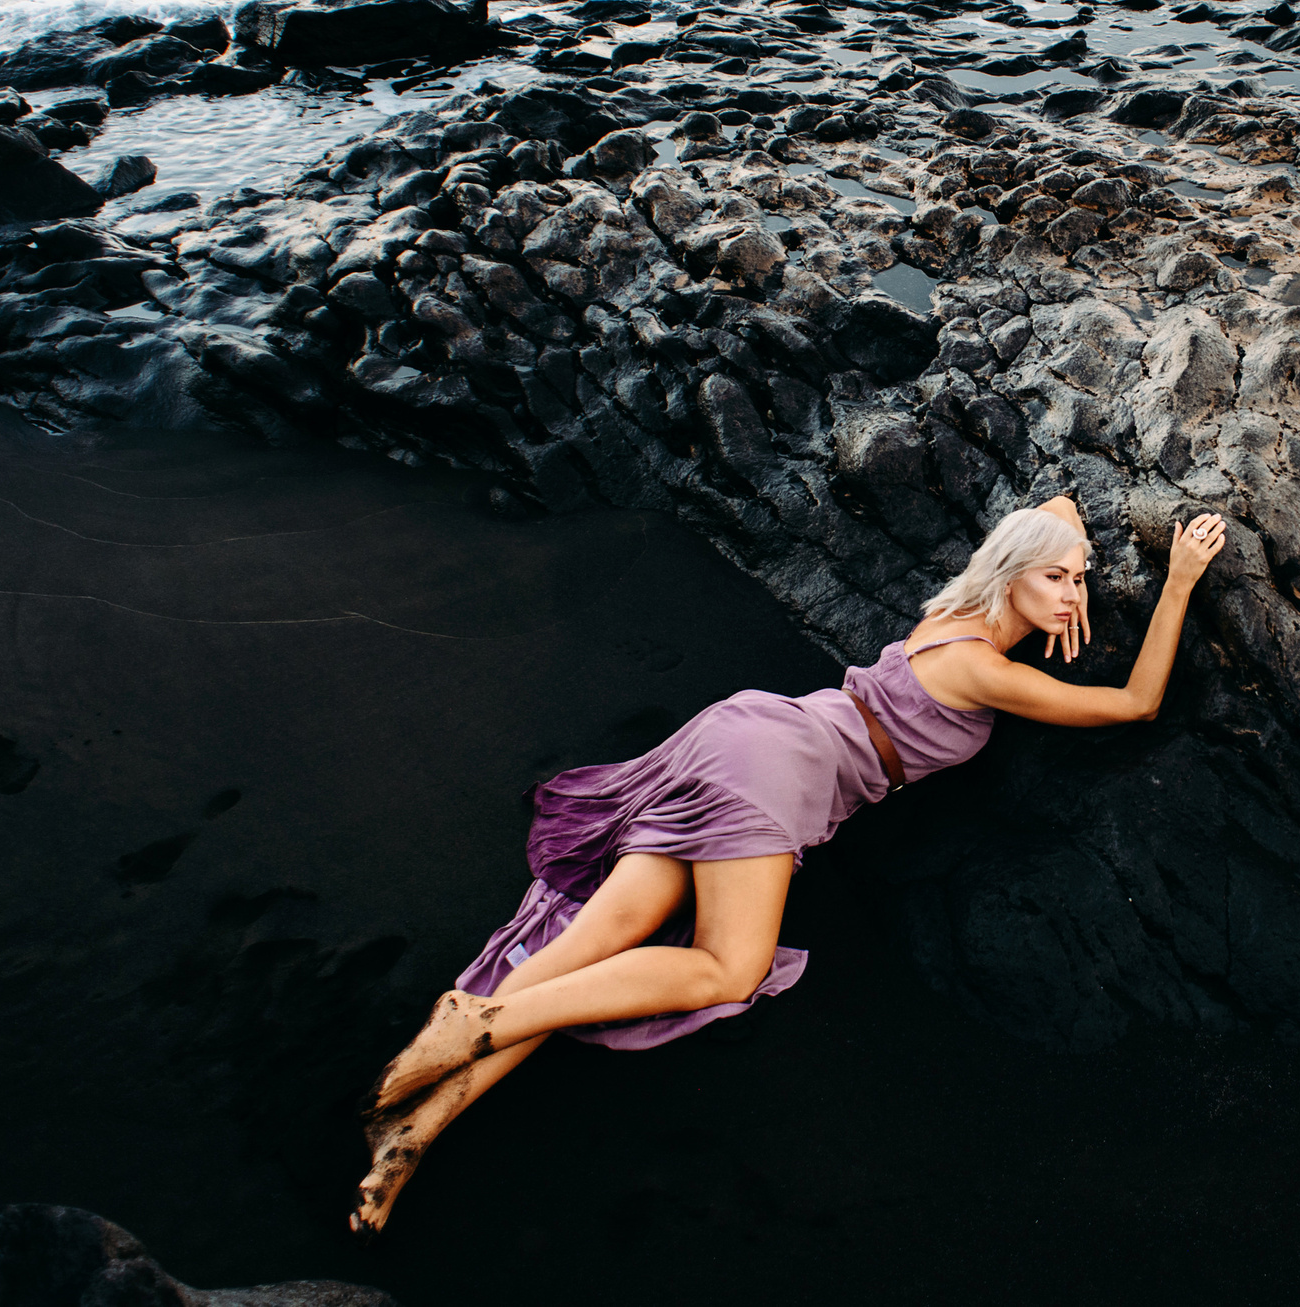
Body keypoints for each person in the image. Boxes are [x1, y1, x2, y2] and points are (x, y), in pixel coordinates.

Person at [349, 495, 1229, 1233]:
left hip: (749, 728)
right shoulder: (982, 665)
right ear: (1010, 571)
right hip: (779, 769)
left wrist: (1061, 573)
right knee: (727, 966)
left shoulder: (957, 614)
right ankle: (477, 1023)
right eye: (1059, 578)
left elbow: (1059, 508)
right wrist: (1180, 579)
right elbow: (1135, 702)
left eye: (1080, 579)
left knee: (607, 931)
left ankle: (422, 1121)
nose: (1074, 592)